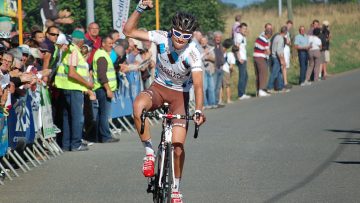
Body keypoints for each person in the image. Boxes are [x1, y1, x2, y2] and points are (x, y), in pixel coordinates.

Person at [123, 1, 206, 202]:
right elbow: (128, 31)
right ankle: (150, 154)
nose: (180, 39)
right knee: (137, 106)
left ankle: (176, 189)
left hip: (180, 96)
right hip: (158, 88)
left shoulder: (193, 53)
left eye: (186, 36)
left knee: (178, 146)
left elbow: (198, 86)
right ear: (171, 31)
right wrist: (140, 8)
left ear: (191, 36)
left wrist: (199, 110)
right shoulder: (161, 37)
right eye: (177, 34)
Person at [54, 30, 93, 151]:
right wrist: (87, 83)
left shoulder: (69, 50)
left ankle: (66, 144)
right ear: (80, 41)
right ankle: (76, 144)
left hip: (66, 87)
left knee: (67, 117)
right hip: (73, 88)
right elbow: (72, 72)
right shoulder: (74, 51)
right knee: (77, 117)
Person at [92, 35, 120, 143]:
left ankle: (100, 136)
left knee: (101, 113)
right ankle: (105, 136)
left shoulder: (102, 54)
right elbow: (102, 75)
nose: (112, 45)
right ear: (103, 44)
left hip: (102, 88)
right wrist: (108, 89)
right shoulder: (102, 56)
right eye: (110, 43)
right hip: (103, 89)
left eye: (112, 43)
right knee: (104, 113)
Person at [267, 26, 288, 93]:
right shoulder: (281, 39)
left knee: (279, 73)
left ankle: (280, 87)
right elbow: (279, 51)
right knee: (274, 73)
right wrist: (282, 61)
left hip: (273, 57)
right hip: (276, 58)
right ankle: (269, 87)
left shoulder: (276, 36)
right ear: (286, 32)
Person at [253, 28, 272, 97]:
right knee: (263, 73)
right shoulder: (265, 40)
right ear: (269, 34)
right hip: (261, 57)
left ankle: (257, 90)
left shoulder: (258, 38)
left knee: (258, 74)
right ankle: (261, 90)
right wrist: (267, 52)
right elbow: (268, 51)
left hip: (255, 57)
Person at [234, 23, 250, 100]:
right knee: (242, 76)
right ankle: (241, 94)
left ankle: (243, 92)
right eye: (243, 28)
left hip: (244, 58)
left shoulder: (243, 36)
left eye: (245, 29)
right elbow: (236, 47)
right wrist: (239, 58)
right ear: (240, 29)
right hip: (241, 59)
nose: (245, 30)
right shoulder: (239, 36)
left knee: (245, 76)